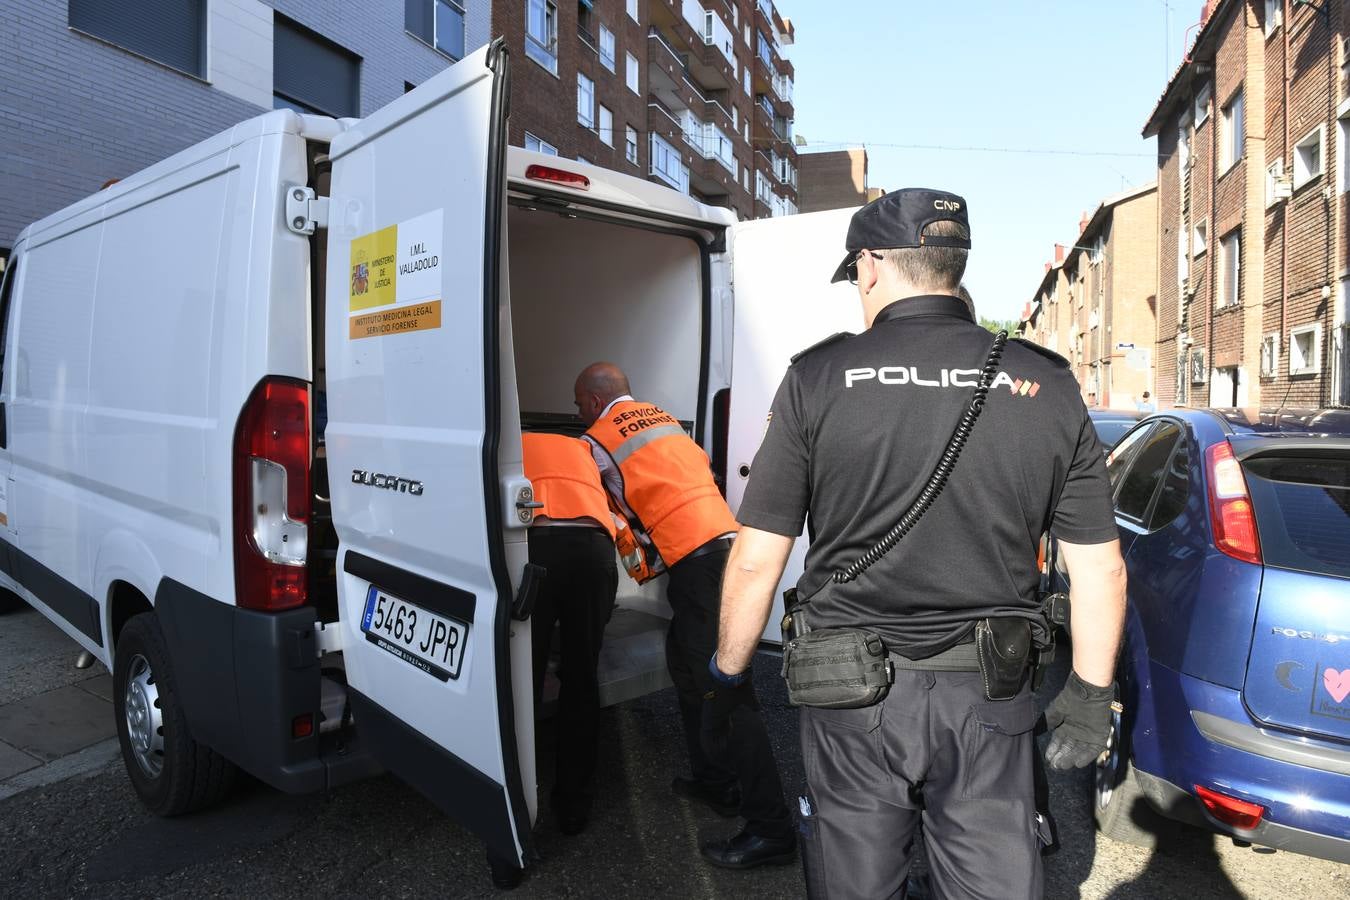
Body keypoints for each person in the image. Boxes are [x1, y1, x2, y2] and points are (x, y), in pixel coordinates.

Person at [711, 188, 1127, 899]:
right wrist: (1090, 693)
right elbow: (1101, 567)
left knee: (857, 881)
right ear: (952, 266)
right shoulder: (1044, 380)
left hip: (851, 699)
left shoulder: (819, 376)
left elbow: (758, 555)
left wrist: (727, 670)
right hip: (990, 697)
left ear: (870, 266)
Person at [574, 362, 795, 869]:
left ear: (589, 401)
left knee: (730, 691)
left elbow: (606, 509)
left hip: (697, 566)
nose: (578, 412)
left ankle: (772, 828)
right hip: (725, 548)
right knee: (686, 662)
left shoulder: (595, 441)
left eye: (576, 403)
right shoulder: (664, 419)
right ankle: (716, 782)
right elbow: (702, 473)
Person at [489, 431, 620, 889]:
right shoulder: (581, 447)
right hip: (593, 549)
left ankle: (509, 833)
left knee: (519, 682)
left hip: (537, 549)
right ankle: (573, 810)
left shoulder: (505, 440)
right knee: (581, 677)